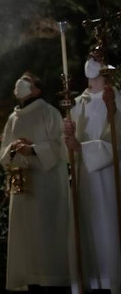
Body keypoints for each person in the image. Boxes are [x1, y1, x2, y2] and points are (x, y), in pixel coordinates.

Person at [0, 72, 69, 292]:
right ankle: (29, 281)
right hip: (22, 186)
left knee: (46, 238)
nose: (20, 83)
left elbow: (61, 147)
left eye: (27, 81)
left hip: (46, 186)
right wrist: (15, 148)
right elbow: (3, 155)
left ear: (37, 90)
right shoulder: (13, 118)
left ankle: (53, 281)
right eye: (20, 79)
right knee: (25, 242)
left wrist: (34, 149)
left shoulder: (49, 112)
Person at [63, 54, 121, 294]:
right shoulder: (77, 104)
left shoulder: (116, 100)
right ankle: (90, 280)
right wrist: (66, 138)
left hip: (110, 179)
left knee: (109, 228)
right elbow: (65, 149)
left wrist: (81, 147)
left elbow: (117, 142)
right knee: (87, 230)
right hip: (84, 179)